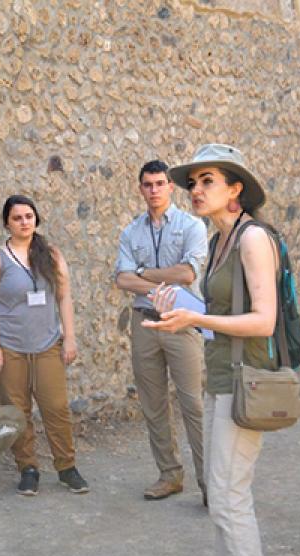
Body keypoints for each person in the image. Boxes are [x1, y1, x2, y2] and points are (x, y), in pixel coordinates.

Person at [145, 144, 278, 556]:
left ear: (235, 189)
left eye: (208, 181)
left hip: (249, 379)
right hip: (223, 375)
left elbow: (264, 320)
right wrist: (179, 308)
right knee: (223, 499)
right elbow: (221, 309)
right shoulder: (220, 239)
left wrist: (196, 320)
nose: (195, 190)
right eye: (194, 182)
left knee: (230, 498)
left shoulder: (253, 238)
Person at [0, 195, 89, 495]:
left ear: (36, 219)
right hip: (10, 347)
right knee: (16, 411)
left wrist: (70, 337)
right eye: (17, 218)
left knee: (56, 407)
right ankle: (27, 468)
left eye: (29, 216)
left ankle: (66, 467)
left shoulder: (51, 254)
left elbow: (64, 297)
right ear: (7, 223)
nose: (24, 222)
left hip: (47, 345)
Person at [114, 160, 208, 502]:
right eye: (147, 184)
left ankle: (210, 484)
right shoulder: (131, 232)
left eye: (159, 184)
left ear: (171, 187)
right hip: (144, 322)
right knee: (153, 404)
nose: (153, 190)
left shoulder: (192, 226)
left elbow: (186, 274)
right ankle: (169, 475)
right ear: (140, 188)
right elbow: (121, 279)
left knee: (192, 404)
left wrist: (142, 271)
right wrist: (151, 276)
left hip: (182, 321)